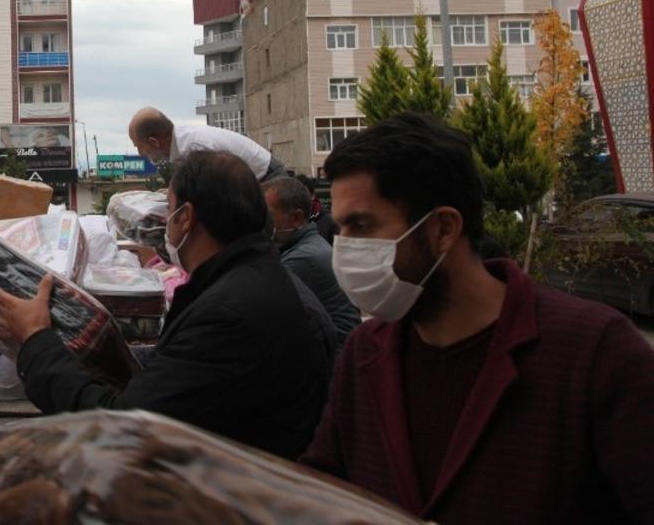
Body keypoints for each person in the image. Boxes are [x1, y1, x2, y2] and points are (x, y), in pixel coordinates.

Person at [299, 113, 654, 523]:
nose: (343, 248)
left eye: (361, 226)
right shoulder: (366, 353)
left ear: (443, 229)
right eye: (340, 229)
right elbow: (318, 493)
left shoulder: (594, 353)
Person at [0, 150, 334, 458]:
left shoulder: (229, 312)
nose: (165, 221)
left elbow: (123, 429)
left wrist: (37, 340)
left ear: (185, 217)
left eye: (168, 208)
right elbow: (172, 370)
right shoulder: (250, 280)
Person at [263, 176, 361, 346]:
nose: (264, 224)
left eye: (269, 217)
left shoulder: (302, 259)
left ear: (296, 218)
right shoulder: (305, 246)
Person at [128, 107, 287, 181]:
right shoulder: (182, 143)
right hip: (258, 179)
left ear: (154, 142)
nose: (140, 153)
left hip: (269, 179)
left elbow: (214, 195)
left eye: (138, 146)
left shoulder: (195, 149)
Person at [298, 175, 337, 244]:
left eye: (303, 196)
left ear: (312, 195)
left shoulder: (328, 221)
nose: (299, 200)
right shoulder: (287, 219)